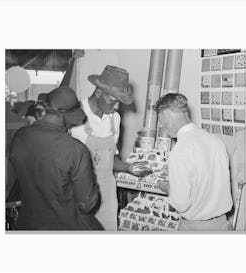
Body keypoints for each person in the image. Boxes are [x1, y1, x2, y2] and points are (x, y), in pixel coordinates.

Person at [9, 86, 102, 230]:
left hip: (27, 224)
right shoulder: (75, 149)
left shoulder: (19, 137)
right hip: (63, 227)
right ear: (67, 118)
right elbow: (86, 205)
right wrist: (94, 184)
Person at [71, 65, 148, 230]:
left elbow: (110, 160)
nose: (117, 107)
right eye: (114, 101)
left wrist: (129, 168)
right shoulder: (74, 116)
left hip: (107, 194)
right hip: (79, 196)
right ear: (99, 93)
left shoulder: (115, 119)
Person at [155, 93, 233, 231]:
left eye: (161, 120)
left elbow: (180, 204)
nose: (162, 125)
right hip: (221, 224)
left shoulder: (180, 150)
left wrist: (167, 186)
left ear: (168, 115)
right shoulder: (215, 141)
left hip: (195, 227)